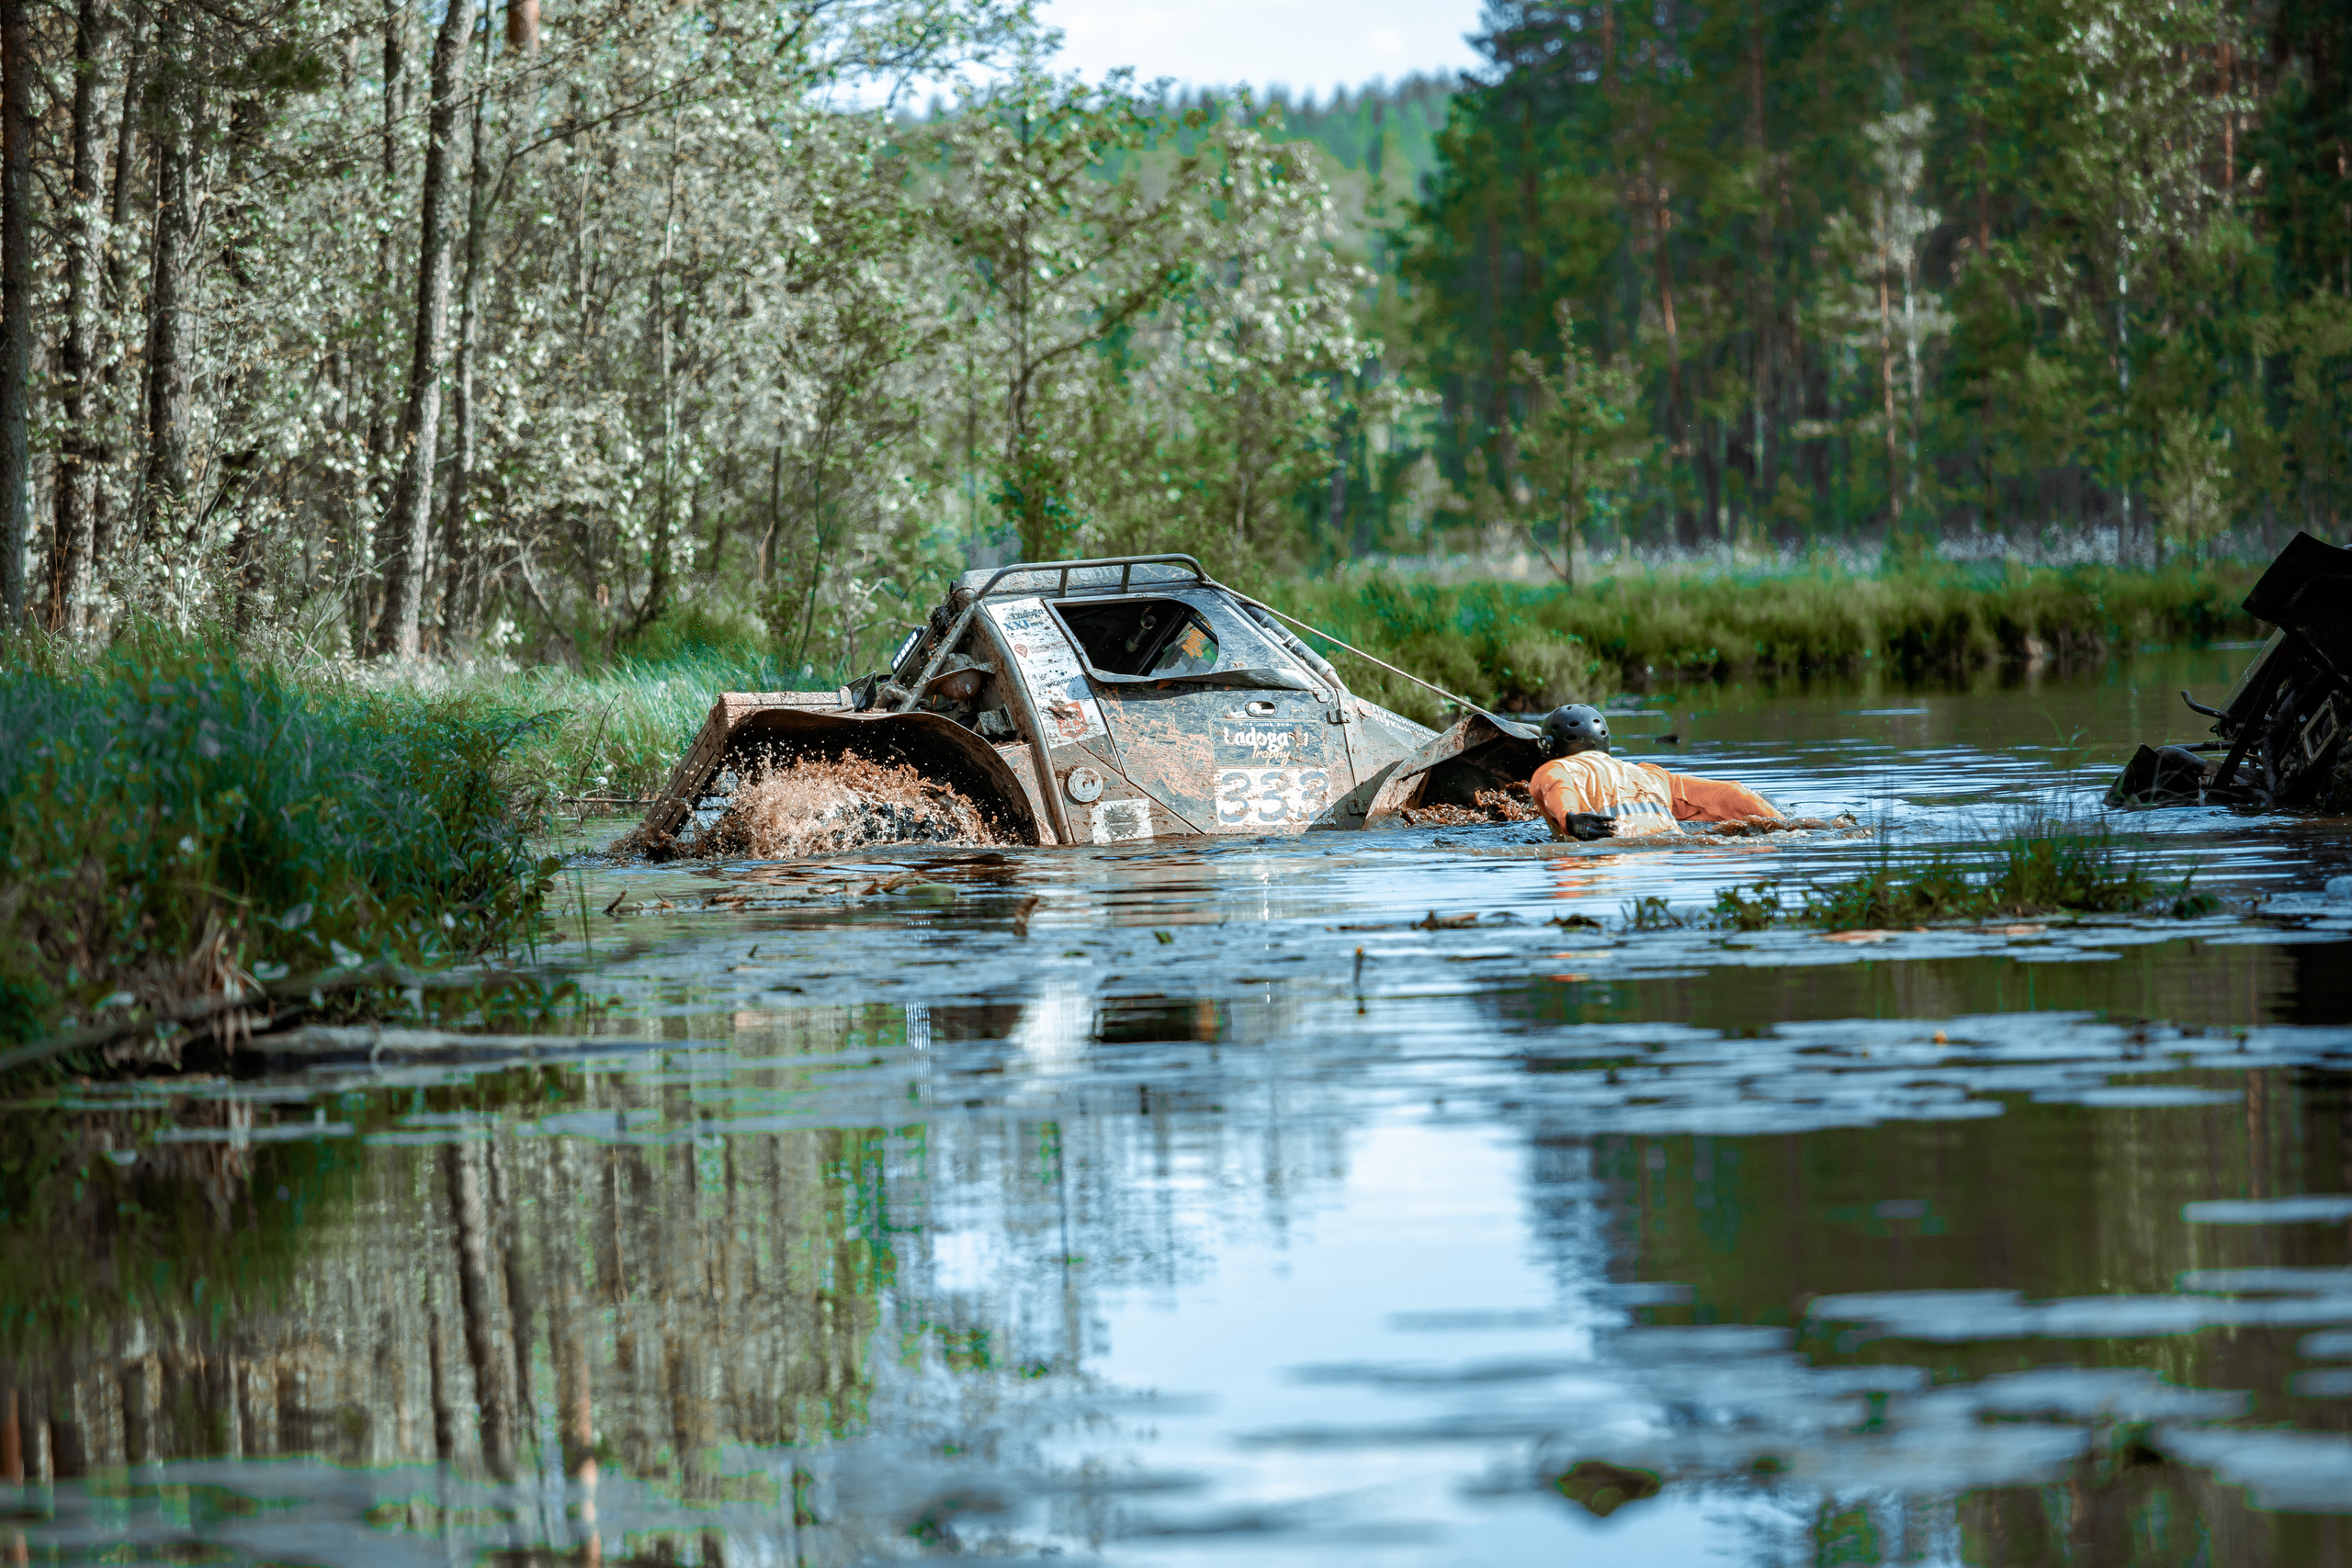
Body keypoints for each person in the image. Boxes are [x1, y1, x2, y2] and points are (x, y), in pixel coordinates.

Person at [1529, 704, 1783, 841]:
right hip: (1668, 851)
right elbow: (1728, 793)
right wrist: (1782, 824)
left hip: (1617, 856)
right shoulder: (1651, 775)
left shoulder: (1554, 768)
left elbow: (1556, 786)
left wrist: (1570, 819)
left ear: (1549, 746)